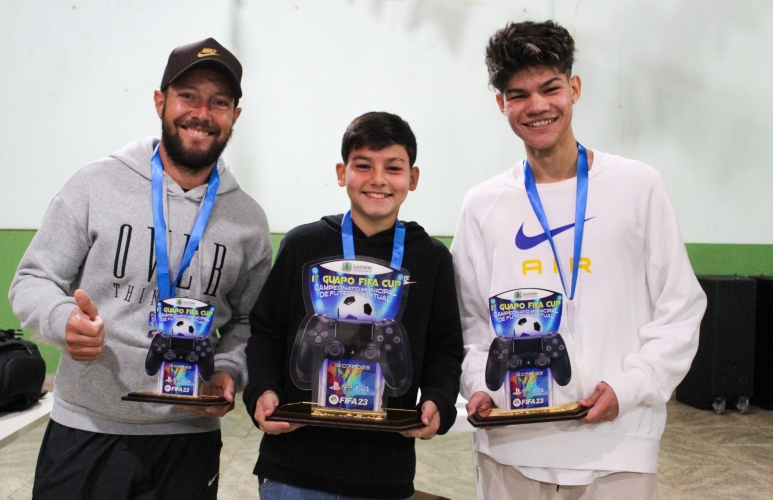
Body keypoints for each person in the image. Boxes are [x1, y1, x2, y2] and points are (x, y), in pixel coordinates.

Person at [452, 21, 707, 499]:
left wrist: (629, 387)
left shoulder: (637, 186)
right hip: (512, 443)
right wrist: (476, 385)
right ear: (501, 104)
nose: (537, 106)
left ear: (574, 88)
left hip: (619, 443)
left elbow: (681, 307)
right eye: (518, 94)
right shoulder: (482, 203)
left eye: (550, 89)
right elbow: (467, 321)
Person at [9, 38, 271, 499]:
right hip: (87, 427)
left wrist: (229, 369)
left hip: (187, 436)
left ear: (234, 116)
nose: (201, 113)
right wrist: (61, 320)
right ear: (160, 101)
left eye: (219, 102)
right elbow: (33, 279)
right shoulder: (94, 185)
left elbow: (250, 320)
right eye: (188, 95)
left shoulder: (247, 220)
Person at [243, 112, 464, 499]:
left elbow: (445, 348)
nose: (378, 179)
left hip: (384, 469)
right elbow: (267, 332)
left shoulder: (431, 258)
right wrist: (261, 389)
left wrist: (439, 402)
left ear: (412, 178)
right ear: (342, 172)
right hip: (294, 467)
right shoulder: (302, 245)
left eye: (393, 168)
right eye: (364, 166)